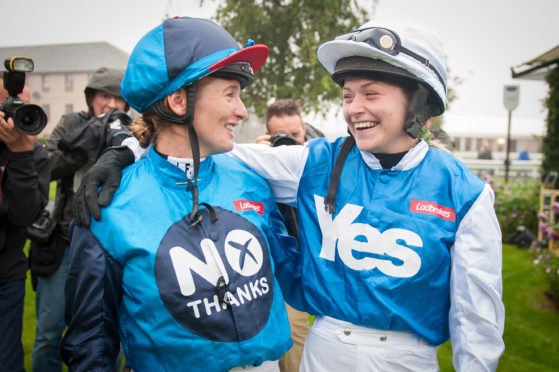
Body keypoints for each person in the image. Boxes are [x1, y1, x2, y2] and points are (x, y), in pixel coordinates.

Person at [74, 19, 505, 371]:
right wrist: (126, 150)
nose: (354, 108)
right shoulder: (311, 164)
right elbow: (200, 148)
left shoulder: (464, 194)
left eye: (371, 93)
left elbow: (478, 325)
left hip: (409, 358)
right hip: (323, 347)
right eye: (348, 95)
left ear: (418, 102)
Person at [62, 17, 294, 372]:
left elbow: (291, 273)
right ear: (179, 100)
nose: (242, 111)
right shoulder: (109, 206)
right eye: (230, 93)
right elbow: (91, 345)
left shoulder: (253, 180)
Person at [31, 67, 128, 372]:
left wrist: (117, 141)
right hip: (64, 240)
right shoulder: (72, 123)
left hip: (113, 244)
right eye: (104, 96)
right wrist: (88, 139)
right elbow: (45, 164)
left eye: (118, 98)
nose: (111, 104)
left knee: (112, 331)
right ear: (90, 98)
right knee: (49, 331)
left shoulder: (133, 129)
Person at [255, 99, 321, 372]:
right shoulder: (262, 157)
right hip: (270, 263)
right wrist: (258, 159)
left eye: (295, 134)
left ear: (304, 127)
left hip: (302, 265)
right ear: (269, 134)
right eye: (281, 135)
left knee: (295, 336)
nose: (290, 140)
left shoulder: (324, 157)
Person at [0, 73, 50, 372]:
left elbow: (25, 215)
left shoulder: (35, 154)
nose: (17, 116)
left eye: (25, 108)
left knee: (6, 361)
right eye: (9, 107)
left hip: (6, 275)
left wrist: (20, 156)